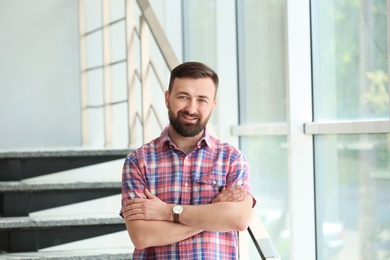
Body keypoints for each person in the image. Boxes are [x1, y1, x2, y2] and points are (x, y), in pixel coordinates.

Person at [120, 61, 256, 259]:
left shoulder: (232, 159)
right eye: (183, 97)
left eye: (202, 100)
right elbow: (142, 236)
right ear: (167, 98)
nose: (191, 108)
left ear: (213, 105)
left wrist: (168, 212)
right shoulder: (138, 161)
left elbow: (239, 219)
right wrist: (213, 214)